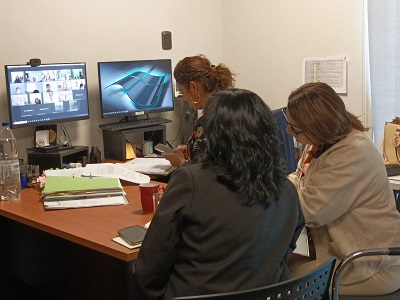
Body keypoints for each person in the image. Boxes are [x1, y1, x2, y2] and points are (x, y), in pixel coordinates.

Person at [132, 89, 305, 300]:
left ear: (213, 134)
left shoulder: (191, 181)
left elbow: (151, 265)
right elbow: (288, 244)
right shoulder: (287, 189)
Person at [285, 82, 400, 296]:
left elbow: (310, 210)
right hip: (338, 252)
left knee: (282, 284)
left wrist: (271, 199)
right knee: (278, 270)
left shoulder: (353, 153)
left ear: (317, 126)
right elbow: (299, 177)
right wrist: (277, 189)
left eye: (295, 128)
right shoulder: (320, 143)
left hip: (370, 264)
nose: (288, 131)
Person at [162, 54, 235, 168]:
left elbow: (202, 174)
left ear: (193, 87)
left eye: (182, 92)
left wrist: (181, 163)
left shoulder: (208, 120)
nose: (185, 99)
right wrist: (191, 148)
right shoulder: (227, 105)